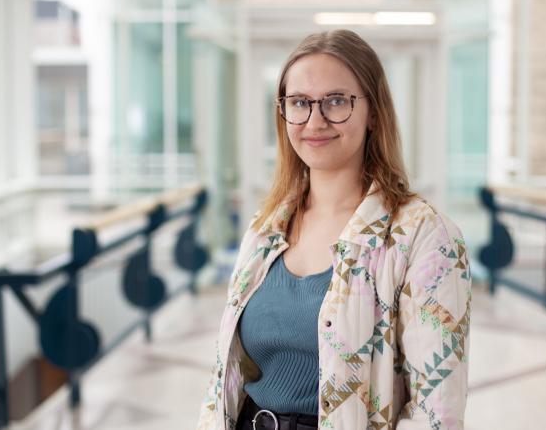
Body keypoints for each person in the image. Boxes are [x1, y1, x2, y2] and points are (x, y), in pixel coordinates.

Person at [197, 29, 470, 430]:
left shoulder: (424, 237)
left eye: (337, 101)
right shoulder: (265, 229)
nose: (315, 120)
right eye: (299, 103)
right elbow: (225, 377)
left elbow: (436, 416)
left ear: (374, 112)